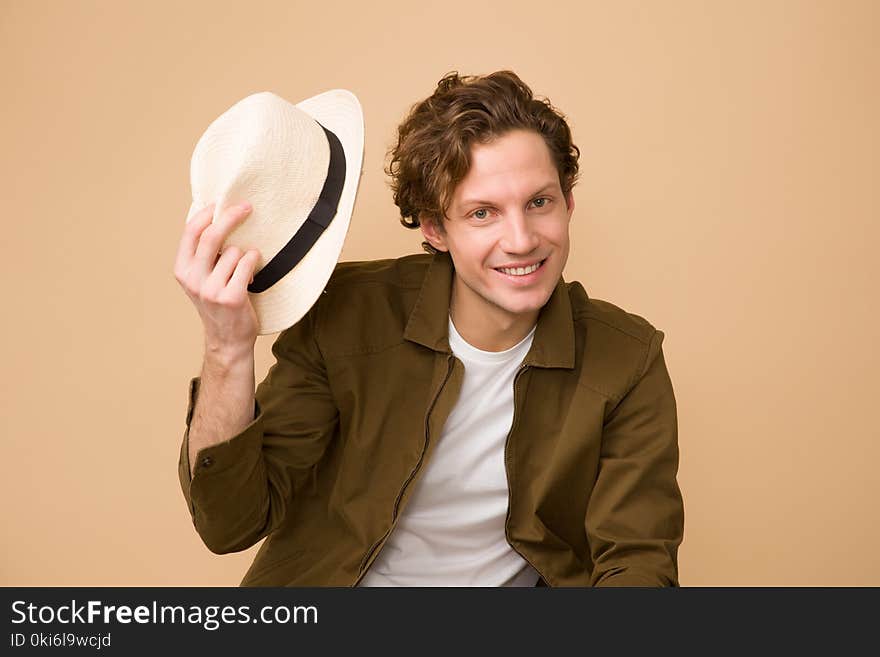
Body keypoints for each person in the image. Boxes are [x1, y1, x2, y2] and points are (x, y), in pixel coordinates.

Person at [173, 70, 684, 587]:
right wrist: (226, 349)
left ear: (568, 203)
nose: (521, 239)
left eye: (539, 202)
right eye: (483, 212)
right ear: (436, 228)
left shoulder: (627, 358)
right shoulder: (344, 315)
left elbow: (637, 561)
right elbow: (230, 523)